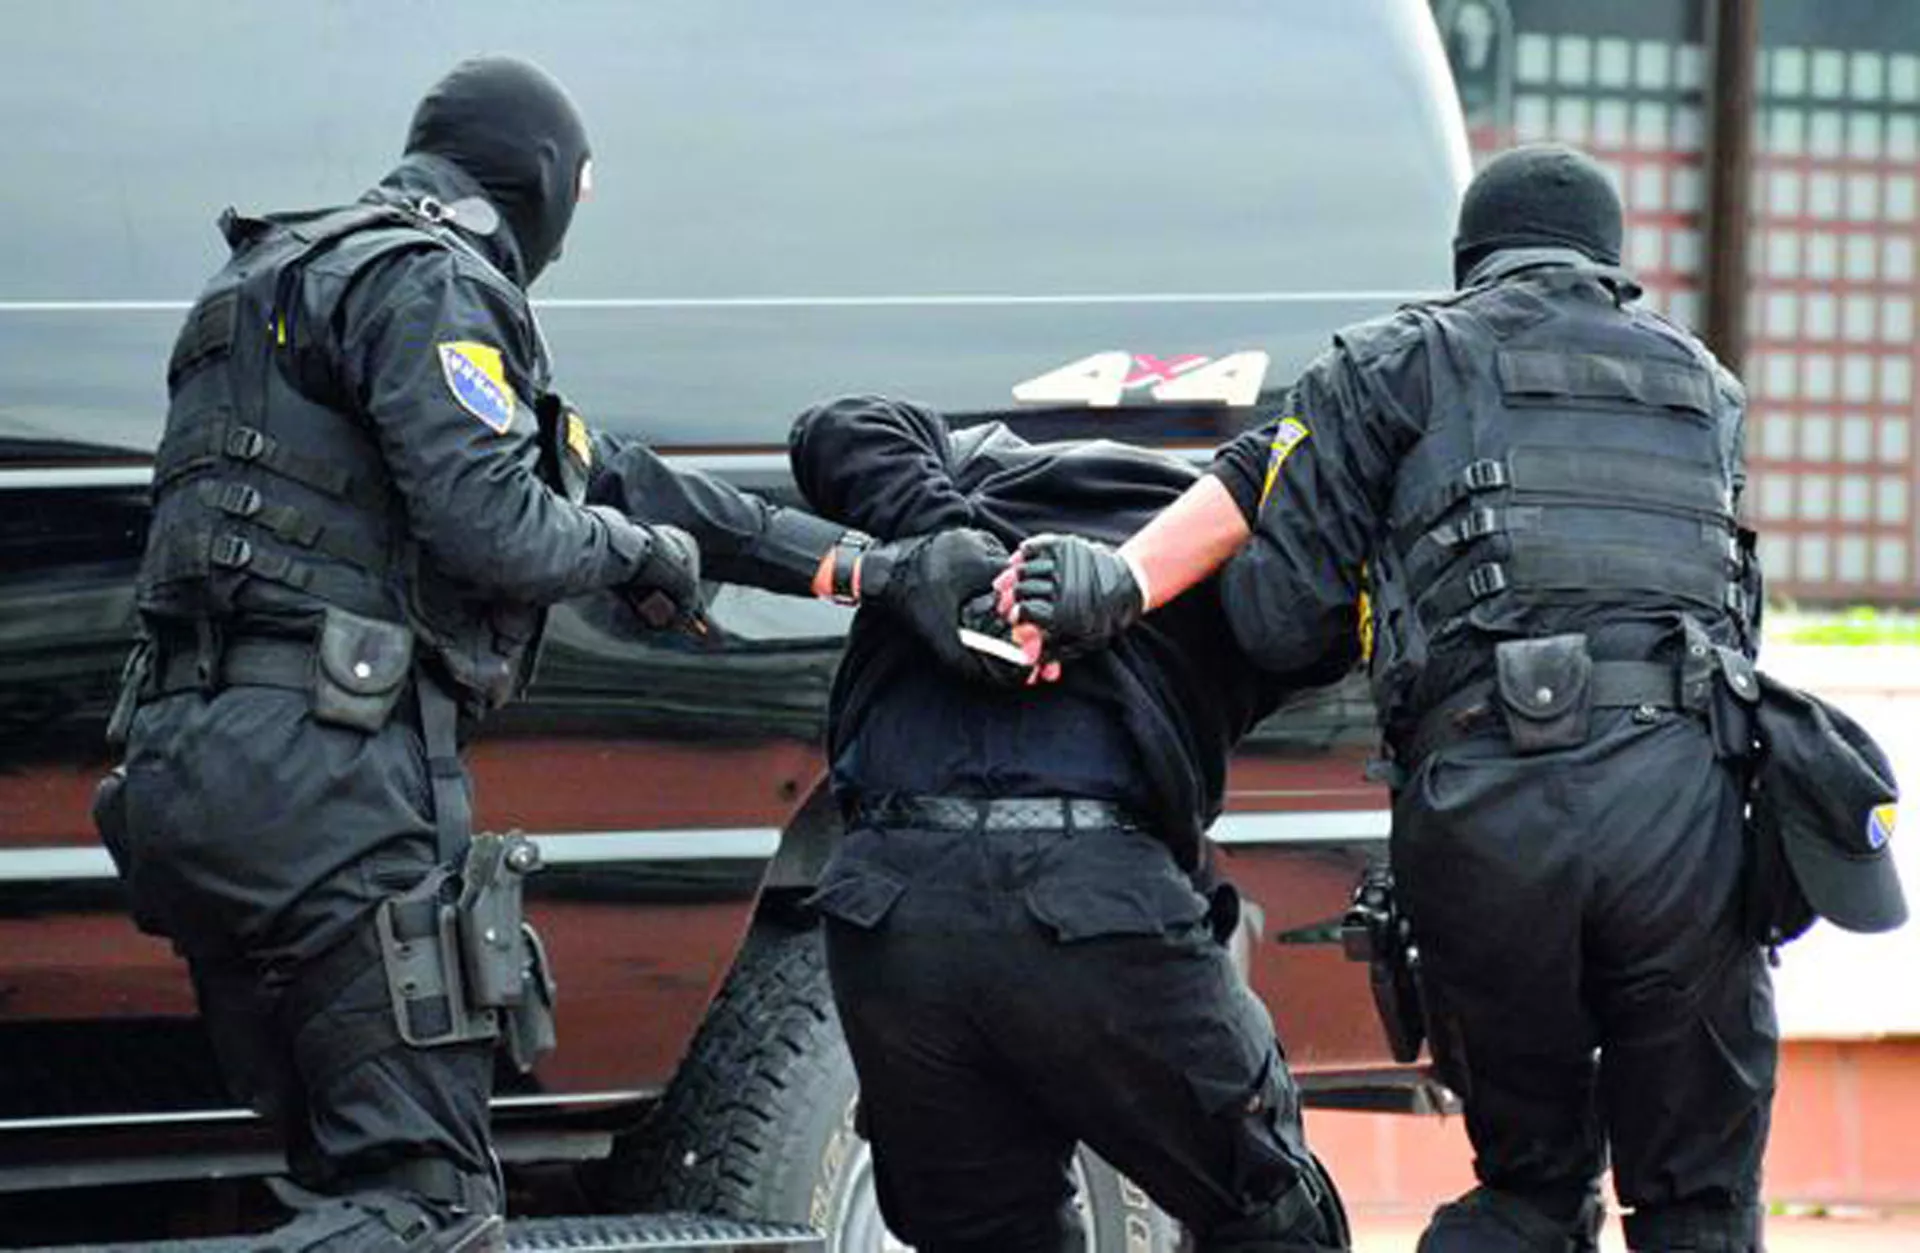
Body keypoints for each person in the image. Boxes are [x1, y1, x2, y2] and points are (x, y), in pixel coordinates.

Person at [98, 57, 1002, 1252]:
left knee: (351, 1179)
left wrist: (869, 568)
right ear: (540, 182)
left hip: (188, 773)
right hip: (326, 784)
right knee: (428, 1211)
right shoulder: (431, 280)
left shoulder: (269, 279)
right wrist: (637, 556)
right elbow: (498, 524)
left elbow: (611, 472)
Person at [1009, 144, 1772, 1253]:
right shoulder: (1708, 386)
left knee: (1529, 1192)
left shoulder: (1389, 362)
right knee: (1700, 1209)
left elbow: (1278, 620)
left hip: (1492, 813)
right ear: (1613, 263)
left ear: (1470, 260)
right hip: (1690, 815)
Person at [789, 394, 1352, 1253]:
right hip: (1093, 905)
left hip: (890, 910)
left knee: (983, 1237)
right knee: (1273, 1214)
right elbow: (1314, 629)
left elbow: (837, 425)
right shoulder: (1222, 555)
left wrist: (955, 548)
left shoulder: (958, 484)